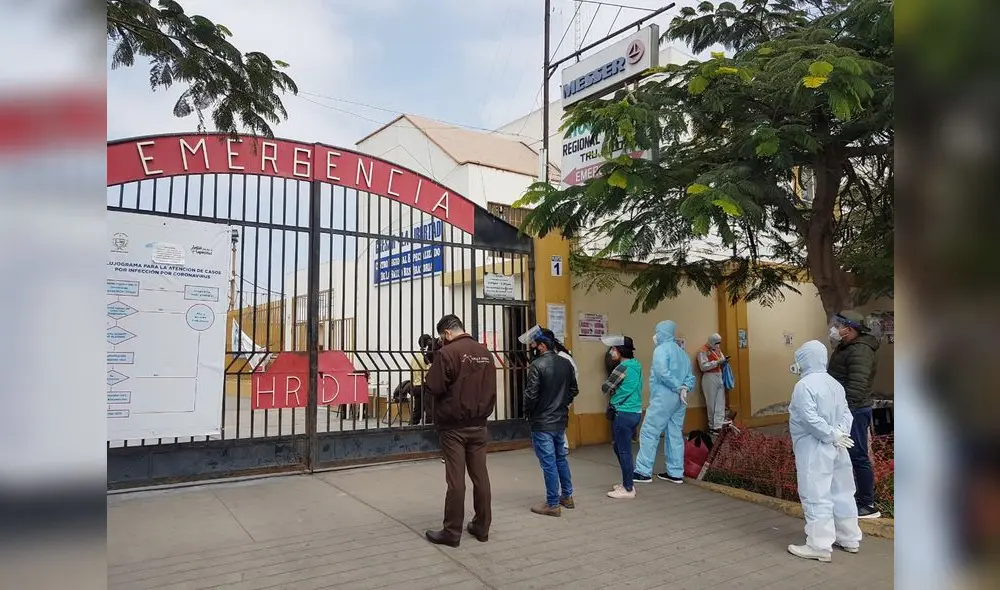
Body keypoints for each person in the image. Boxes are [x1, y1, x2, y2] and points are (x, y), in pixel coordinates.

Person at [422, 315, 497, 547]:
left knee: (456, 480)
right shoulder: (485, 353)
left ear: (446, 333)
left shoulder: (447, 353)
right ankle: (482, 527)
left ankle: (452, 532)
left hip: (454, 427)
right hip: (479, 425)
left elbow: (433, 386)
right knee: (480, 476)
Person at [787, 339, 863, 562]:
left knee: (815, 494)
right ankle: (849, 538)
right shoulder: (835, 384)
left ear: (805, 359)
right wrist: (839, 434)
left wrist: (830, 434)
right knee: (842, 491)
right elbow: (847, 413)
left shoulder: (804, 386)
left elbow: (809, 418)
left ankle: (819, 545)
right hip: (838, 447)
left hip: (814, 448)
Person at [826, 310, 882, 519]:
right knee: (849, 455)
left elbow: (857, 386)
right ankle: (852, 498)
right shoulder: (846, 346)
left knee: (857, 454)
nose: (834, 328)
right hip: (848, 409)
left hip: (855, 411)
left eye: (837, 325)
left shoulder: (860, 351)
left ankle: (868, 504)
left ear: (848, 329)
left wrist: (843, 413)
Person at [523, 329, 579, 516]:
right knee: (560, 458)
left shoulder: (537, 365)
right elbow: (574, 390)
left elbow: (531, 395)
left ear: (543, 345)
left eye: (536, 345)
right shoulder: (566, 363)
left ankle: (553, 503)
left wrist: (529, 412)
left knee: (548, 462)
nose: (534, 348)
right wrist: (561, 403)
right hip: (560, 419)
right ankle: (567, 496)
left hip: (542, 422)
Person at [633, 320, 695, 484]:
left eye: (657, 331)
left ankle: (643, 471)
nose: (655, 335)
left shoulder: (660, 350)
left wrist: (676, 387)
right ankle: (675, 473)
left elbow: (662, 373)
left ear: (662, 333)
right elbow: (690, 377)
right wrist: (684, 388)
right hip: (680, 399)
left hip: (664, 397)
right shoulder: (682, 353)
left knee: (649, 431)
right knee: (674, 434)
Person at [600, 335, 643, 499]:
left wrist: (613, 389)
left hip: (623, 413)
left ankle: (628, 488)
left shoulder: (621, 368)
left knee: (624, 451)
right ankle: (627, 481)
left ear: (619, 350)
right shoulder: (636, 365)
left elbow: (605, 387)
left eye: (613, 349)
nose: (611, 352)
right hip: (635, 412)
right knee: (618, 447)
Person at [697, 333, 730, 435]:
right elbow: (703, 366)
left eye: (719, 343)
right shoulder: (703, 351)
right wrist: (717, 362)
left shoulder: (718, 350)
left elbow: (722, 359)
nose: (718, 345)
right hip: (709, 377)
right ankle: (712, 426)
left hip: (719, 376)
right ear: (711, 341)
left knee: (720, 401)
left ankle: (719, 424)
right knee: (711, 402)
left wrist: (724, 361)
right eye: (716, 343)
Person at [409, 334, 433, 425]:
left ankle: (411, 427)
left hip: (416, 385)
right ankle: (428, 429)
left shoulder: (414, 356)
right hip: (425, 385)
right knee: (429, 411)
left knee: (417, 411)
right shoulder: (426, 356)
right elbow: (429, 370)